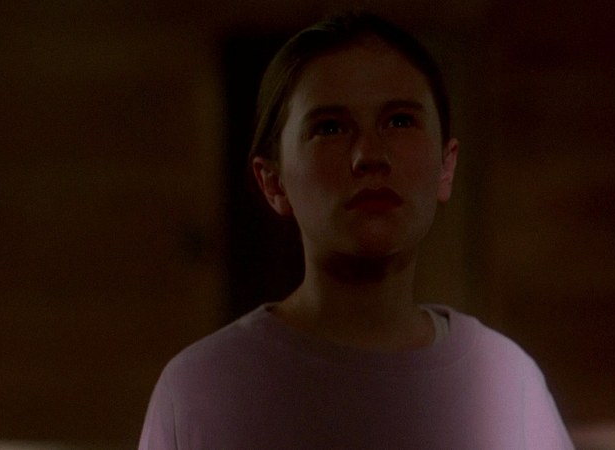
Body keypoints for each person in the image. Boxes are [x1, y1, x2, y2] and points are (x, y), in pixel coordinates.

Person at [139, 11, 573, 449]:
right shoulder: (202, 389)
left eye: (400, 121)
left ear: (446, 166)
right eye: (329, 128)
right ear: (273, 182)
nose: (369, 155)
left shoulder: (505, 382)